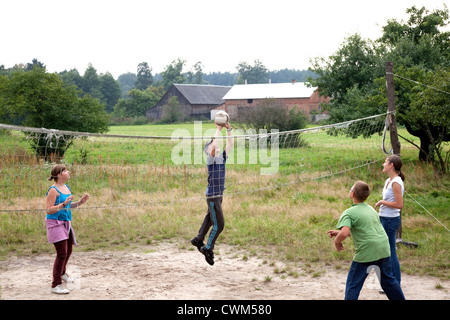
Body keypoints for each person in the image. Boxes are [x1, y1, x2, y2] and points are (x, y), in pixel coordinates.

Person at [327, 181, 405, 300]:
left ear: (352, 194)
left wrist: (337, 242)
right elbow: (365, 231)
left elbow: (345, 232)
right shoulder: (370, 209)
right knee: (389, 281)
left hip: (367, 251)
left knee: (353, 284)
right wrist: (339, 233)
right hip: (383, 247)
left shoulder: (349, 213)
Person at [191, 122, 233, 265]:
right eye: (211, 146)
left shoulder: (221, 159)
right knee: (219, 225)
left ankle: (198, 238)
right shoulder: (211, 160)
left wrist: (229, 130)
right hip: (213, 197)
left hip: (218, 196)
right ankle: (208, 248)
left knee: (210, 218)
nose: (215, 146)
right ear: (209, 151)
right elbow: (214, 145)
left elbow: (230, 144)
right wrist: (217, 130)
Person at [46, 164, 89, 294]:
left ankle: (63, 273)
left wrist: (80, 202)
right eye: (65, 170)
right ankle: (56, 285)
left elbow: (69, 207)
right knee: (61, 253)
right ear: (59, 175)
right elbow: (49, 209)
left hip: (66, 223)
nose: (68, 172)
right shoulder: (53, 190)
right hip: (55, 223)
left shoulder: (66, 188)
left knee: (68, 250)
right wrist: (63, 203)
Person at [374, 155, 404, 285]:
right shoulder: (388, 181)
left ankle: (394, 282)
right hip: (384, 219)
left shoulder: (396, 182)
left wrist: (382, 202)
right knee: (385, 250)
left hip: (390, 221)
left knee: (390, 251)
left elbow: (399, 205)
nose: (383, 164)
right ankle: (389, 281)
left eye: (385, 162)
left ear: (391, 165)